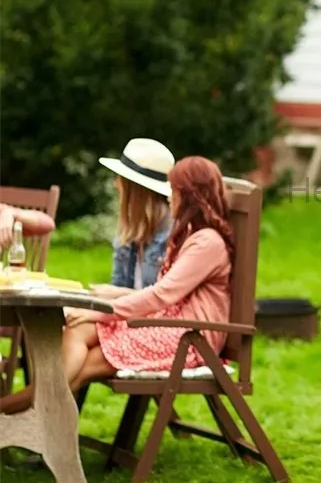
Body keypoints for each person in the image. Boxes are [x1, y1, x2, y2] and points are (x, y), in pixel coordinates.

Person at [0, 157, 234, 415]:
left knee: (77, 368)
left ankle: (10, 414)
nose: (168, 198)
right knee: (79, 328)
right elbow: (163, 292)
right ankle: (30, 423)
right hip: (169, 327)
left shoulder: (206, 243)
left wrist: (101, 310)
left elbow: (161, 294)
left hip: (188, 339)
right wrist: (100, 307)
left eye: (173, 192)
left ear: (189, 196)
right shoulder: (191, 236)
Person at [91, 138, 175, 296]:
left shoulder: (173, 235)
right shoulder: (129, 231)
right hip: (127, 316)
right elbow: (116, 286)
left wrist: (117, 294)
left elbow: (164, 300)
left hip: (153, 320)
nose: (116, 185)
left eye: (121, 180)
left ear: (135, 192)